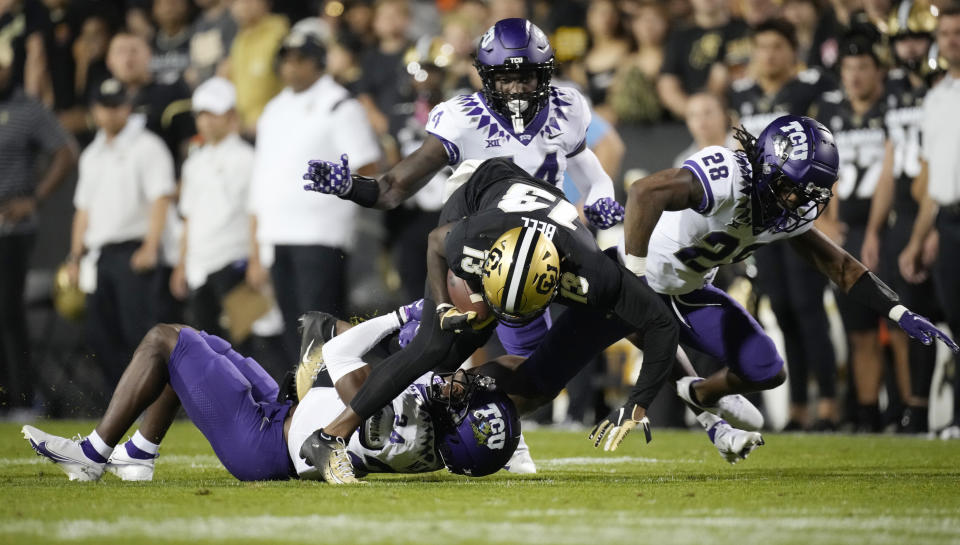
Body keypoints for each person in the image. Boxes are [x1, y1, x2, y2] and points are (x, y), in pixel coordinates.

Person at [299, 157, 772, 484]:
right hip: (481, 198)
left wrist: (640, 403)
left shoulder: (598, 275)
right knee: (441, 345)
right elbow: (436, 243)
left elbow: (660, 326)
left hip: (543, 237)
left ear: (557, 288)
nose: (508, 318)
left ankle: (440, 391)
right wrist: (442, 305)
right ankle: (329, 437)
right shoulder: (477, 238)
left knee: (541, 381)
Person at [303, 18, 625, 360]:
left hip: (546, 245)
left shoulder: (566, 106)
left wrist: (600, 199)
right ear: (487, 78)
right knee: (437, 352)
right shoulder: (464, 118)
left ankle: (662, 391)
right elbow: (393, 187)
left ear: (544, 74)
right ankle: (341, 344)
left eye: (525, 77)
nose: (516, 89)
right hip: (483, 252)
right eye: (505, 78)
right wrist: (351, 187)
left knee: (618, 300)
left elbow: (591, 171)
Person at [618, 114, 957, 435]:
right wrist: (636, 279)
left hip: (690, 290)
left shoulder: (788, 211)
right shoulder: (728, 177)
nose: (795, 199)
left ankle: (703, 393)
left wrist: (899, 311)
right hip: (638, 279)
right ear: (766, 166)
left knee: (767, 370)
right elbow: (644, 192)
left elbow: (841, 267)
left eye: (808, 192)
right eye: (789, 186)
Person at [20, 306, 520, 483]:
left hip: (262, 441)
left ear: (454, 435)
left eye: (462, 406)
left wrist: (402, 316)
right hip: (286, 414)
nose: (458, 391)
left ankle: (93, 453)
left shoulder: (395, 427)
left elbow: (340, 352)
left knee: (163, 341)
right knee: (203, 345)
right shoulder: (434, 439)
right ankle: (140, 455)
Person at [729, 19, 838, 431]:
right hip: (761, 218)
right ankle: (797, 407)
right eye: (762, 46)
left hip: (801, 213)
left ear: (794, 49)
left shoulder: (812, 88)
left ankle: (827, 403)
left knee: (810, 310)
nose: (768, 55)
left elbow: (828, 157)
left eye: (777, 46)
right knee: (785, 311)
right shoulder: (743, 92)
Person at [246, 29, 381, 361]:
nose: (291, 68)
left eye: (300, 60)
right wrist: (255, 244)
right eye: (286, 60)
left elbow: (368, 166)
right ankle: (306, 404)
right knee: (292, 326)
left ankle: (338, 399)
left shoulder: (338, 104)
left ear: (318, 62)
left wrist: (339, 200)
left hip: (322, 232)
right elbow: (261, 178)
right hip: (277, 232)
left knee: (321, 325)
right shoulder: (273, 109)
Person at [67, 78, 176, 385]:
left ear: (127, 108)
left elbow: (161, 198)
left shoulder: (147, 146)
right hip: (102, 255)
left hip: (136, 251)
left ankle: (152, 402)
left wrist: (151, 246)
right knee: (99, 333)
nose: (111, 113)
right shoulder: (91, 154)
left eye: (117, 106)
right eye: (105, 106)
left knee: (140, 334)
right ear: (95, 110)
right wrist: (74, 256)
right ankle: (122, 398)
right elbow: (83, 210)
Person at [810, 37, 891, 432]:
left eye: (863, 68)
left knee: (896, 324)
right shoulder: (831, 114)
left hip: (887, 230)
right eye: (849, 70)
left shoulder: (892, 109)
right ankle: (867, 411)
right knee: (857, 330)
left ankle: (911, 410)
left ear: (878, 71)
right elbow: (826, 177)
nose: (856, 77)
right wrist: (823, 221)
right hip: (845, 233)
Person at [0, 40, 77, 416]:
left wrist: (35, 199)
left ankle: (22, 398)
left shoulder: (28, 109)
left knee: (7, 311)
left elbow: (64, 150)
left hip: (11, 227)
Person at [899, 6, 960, 439]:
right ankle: (956, 417)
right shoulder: (937, 98)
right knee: (956, 321)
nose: (952, 40)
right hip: (950, 220)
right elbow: (936, 180)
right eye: (946, 33)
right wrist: (920, 238)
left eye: (959, 32)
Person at [170, 77, 253, 340]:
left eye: (212, 114)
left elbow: (256, 214)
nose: (205, 121)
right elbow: (188, 217)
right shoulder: (194, 163)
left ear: (230, 116)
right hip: (199, 268)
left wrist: (257, 262)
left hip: (236, 263)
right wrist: (181, 265)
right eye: (201, 114)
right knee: (210, 348)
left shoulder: (248, 158)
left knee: (244, 344)